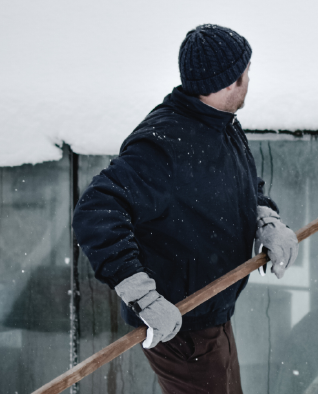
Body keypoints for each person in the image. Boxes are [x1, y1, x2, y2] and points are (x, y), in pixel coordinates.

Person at [72, 24, 299, 394]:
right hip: (179, 328)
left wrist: (266, 219)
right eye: (245, 73)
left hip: (213, 312)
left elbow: (242, 184)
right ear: (227, 82)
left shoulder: (221, 125)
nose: (248, 80)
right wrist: (143, 297)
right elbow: (96, 210)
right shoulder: (162, 146)